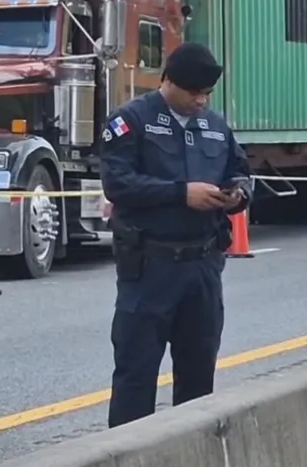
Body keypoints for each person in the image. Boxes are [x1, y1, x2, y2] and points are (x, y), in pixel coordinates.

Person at [97, 41, 253, 429]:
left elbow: (241, 172)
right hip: (150, 265)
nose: (201, 101)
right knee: (136, 374)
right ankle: (130, 452)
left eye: (207, 93)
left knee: (199, 374)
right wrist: (181, 194)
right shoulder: (131, 121)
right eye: (193, 92)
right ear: (168, 81)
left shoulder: (215, 127)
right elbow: (118, 183)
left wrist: (237, 195)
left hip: (202, 267)